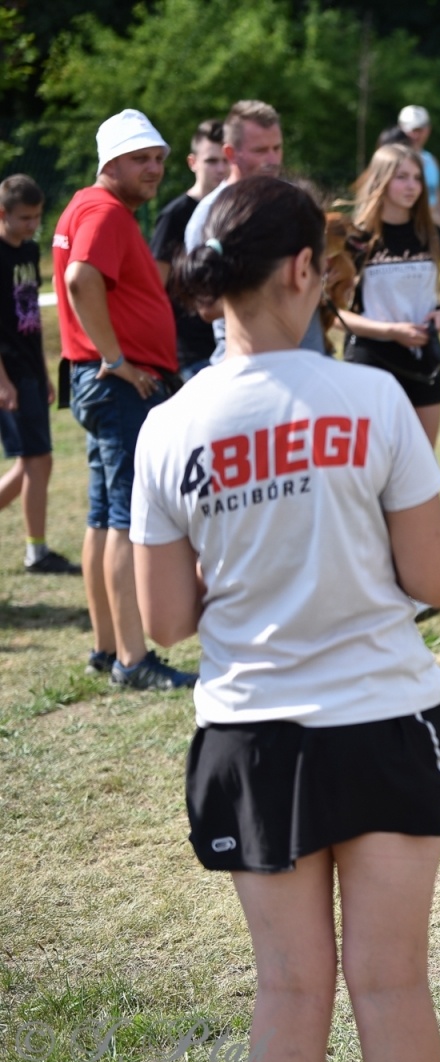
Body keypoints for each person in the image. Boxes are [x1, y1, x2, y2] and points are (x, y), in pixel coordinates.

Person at [136, 175, 440, 1062]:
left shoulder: (168, 429)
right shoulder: (374, 402)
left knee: (288, 988)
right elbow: (433, 578)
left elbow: (165, 619)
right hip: (384, 720)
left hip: (251, 735)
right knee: (392, 982)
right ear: (303, 270)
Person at [54, 108, 194, 688]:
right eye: (142, 159)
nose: (155, 169)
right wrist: (115, 358)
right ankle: (133, 661)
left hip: (100, 381)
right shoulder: (104, 210)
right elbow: (81, 279)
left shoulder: (92, 207)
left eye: (160, 158)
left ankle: (108, 647)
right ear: (110, 162)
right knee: (121, 519)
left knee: (99, 516)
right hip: (115, 384)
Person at [183, 100, 324, 360]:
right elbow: (207, 307)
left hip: (307, 358)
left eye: (277, 148)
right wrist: (273, 286)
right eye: (260, 150)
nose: (272, 160)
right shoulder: (209, 215)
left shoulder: (294, 200)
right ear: (230, 153)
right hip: (246, 362)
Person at [338, 143, 440, 448]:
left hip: (423, 362)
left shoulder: (432, 236)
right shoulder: (356, 240)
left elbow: (428, 297)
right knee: (374, 469)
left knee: (423, 467)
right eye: (402, 177)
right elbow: (334, 315)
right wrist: (390, 331)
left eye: (417, 178)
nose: (412, 186)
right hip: (371, 362)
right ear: (381, 180)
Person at [0, 175, 76, 574]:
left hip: (30, 369)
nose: (32, 225)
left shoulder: (29, 252)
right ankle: (36, 551)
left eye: (37, 217)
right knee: (35, 461)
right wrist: (3, 381)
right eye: (24, 218)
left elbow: (29, 315)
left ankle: (37, 549)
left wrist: (45, 373)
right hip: (7, 372)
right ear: (3, 214)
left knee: (36, 463)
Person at [151, 119, 227, 380]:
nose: (220, 169)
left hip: (232, 346)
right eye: (211, 161)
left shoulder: (236, 210)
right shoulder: (174, 216)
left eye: (225, 159)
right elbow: (153, 289)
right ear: (192, 162)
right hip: (192, 355)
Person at [397, 105, 440, 256]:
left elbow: (438, 203)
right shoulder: (394, 161)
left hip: (430, 234)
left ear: (428, 129)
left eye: (420, 129)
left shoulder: (432, 161)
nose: (416, 135)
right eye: (412, 130)